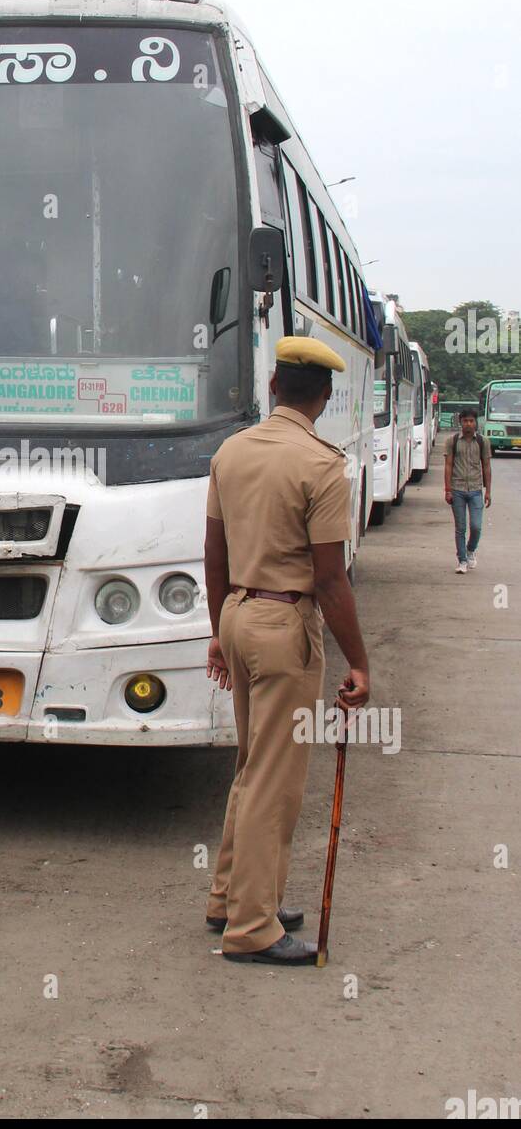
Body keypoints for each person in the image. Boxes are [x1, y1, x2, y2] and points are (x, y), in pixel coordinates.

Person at [203, 336, 370, 965]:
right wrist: (359, 662)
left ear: (272, 385)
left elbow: (213, 554)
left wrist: (218, 631)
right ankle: (253, 929)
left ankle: (231, 898)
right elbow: (330, 579)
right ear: (324, 397)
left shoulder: (232, 451)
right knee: (276, 778)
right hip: (284, 625)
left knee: (252, 766)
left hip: (238, 614)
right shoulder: (321, 464)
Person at [444, 408, 492, 573]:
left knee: (476, 526)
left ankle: (471, 550)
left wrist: (488, 491)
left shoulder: (482, 441)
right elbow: (448, 465)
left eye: (471, 421)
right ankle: (462, 560)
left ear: (475, 422)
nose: (469, 424)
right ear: (461, 422)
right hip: (457, 490)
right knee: (460, 527)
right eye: (465, 421)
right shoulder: (453, 441)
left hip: (476, 490)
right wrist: (448, 489)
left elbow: (486, 466)